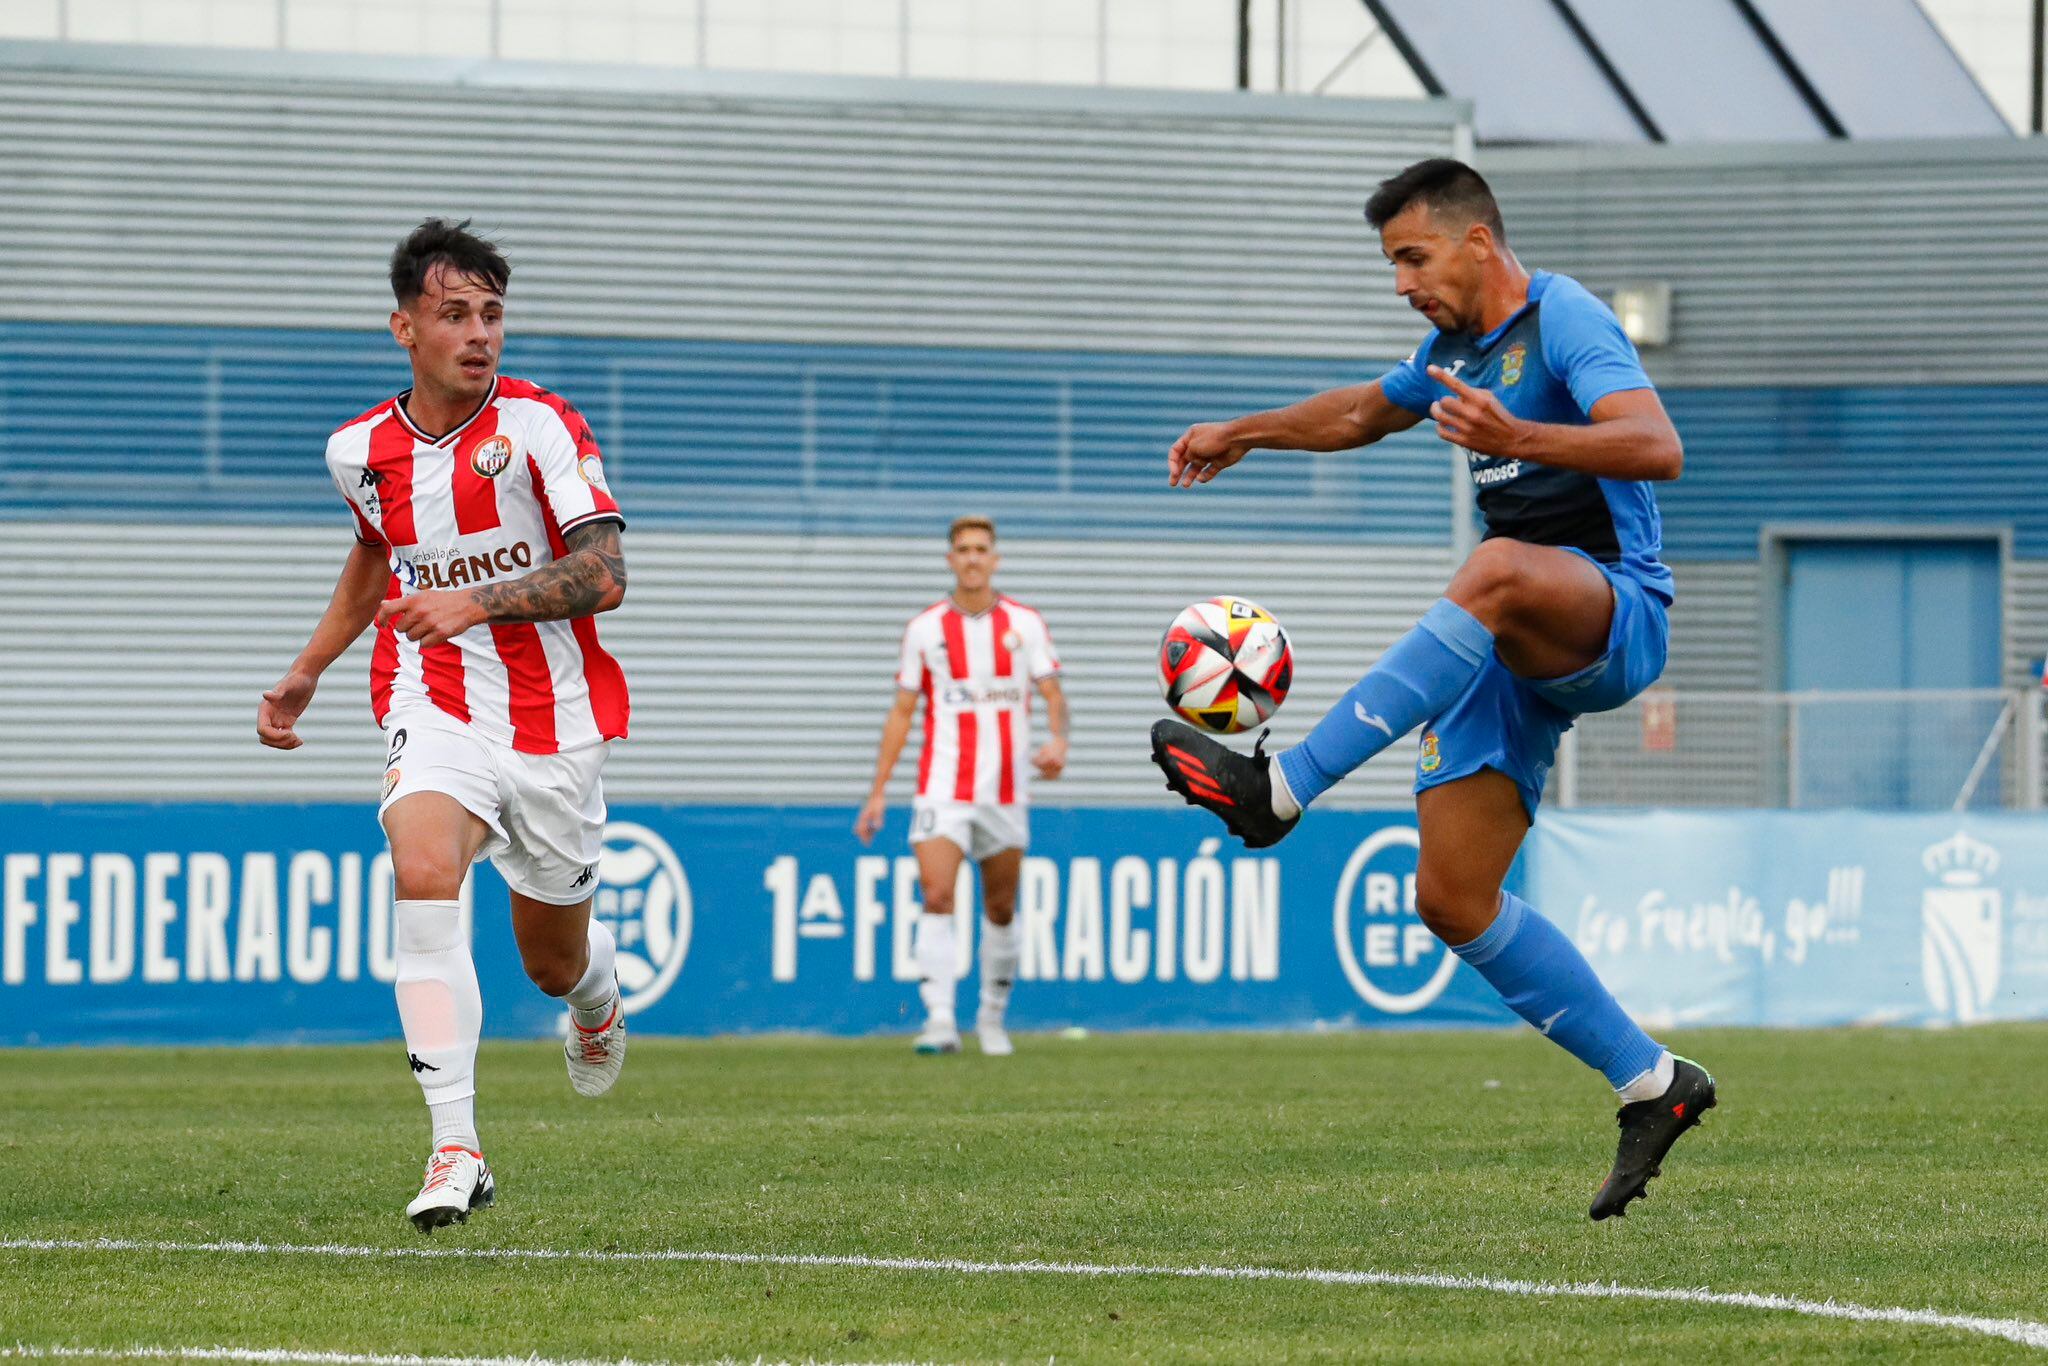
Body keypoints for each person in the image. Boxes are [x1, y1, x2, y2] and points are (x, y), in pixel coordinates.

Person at [1149, 159, 1714, 1221]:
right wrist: (1242, 430)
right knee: (1448, 897)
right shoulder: (1452, 350)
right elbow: (1365, 411)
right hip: (1508, 646)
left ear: (1476, 241)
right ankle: (1652, 1083)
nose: (1402, 281)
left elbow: (1657, 446)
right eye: (1391, 264)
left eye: (1411, 257)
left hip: (1614, 617)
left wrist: (1522, 437)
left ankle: (1282, 789)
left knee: (1492, 567)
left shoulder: (1565, 320)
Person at [257, 218, 633, 1232]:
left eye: (493, 315)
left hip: (552, 722)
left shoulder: (542, 427)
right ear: (404, 328)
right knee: (420, 869)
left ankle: (595, 1003)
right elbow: (375, 557)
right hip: (434, 699)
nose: (480, 334)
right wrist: (307, 669)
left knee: (551, 960)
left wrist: (475, 600)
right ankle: (455, 1146)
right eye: (455, 314)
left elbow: (605, 571)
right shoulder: (359, 452)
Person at [856, 516, 1068, 1056]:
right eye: (963, 550)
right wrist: (878, 790)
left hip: (1004, 791)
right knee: (937, 894)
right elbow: (902, 713)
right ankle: (941, 1021)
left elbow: (1052, 695)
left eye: (981, 549)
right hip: (941, 788)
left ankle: (992, 1019)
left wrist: (1058, 742)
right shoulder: (925, 630)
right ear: (950, 559)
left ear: (995, 559)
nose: (972, 558)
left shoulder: (1025, 624)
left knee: (1000, 907)